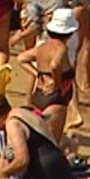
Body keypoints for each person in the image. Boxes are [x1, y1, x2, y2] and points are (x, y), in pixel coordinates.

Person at [17, 8, 76, 141]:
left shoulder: (42, 47)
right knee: (53, 142)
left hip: (38, 94)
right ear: (70, 33)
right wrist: (56, 83)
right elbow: (55, 65)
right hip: (56, 99)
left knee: (37, 139)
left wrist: (37, 73)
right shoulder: (62, 48)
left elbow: (21, 58)